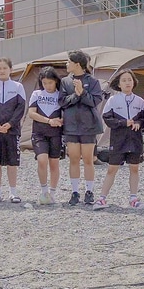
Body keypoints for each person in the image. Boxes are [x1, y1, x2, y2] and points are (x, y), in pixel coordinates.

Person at [96, 69, 144, 210]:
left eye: (129, 80)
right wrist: (123, 123)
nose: (127, 83)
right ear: (119, 84)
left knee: (134, 168)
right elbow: (107, 119)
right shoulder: (113, 100)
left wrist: (139, 123)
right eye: (124, 80)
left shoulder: (140, 101)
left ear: (134, 82)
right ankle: (102, 198)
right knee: (112, 168)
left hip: (135, 139)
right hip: (118, 139)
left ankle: (133, 198)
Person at [60, 50, 103, 206]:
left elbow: (95, 101)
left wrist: (83, 92)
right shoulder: (65, 81)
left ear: (77, 64)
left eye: (69, 61)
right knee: (73, 159)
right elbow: (62, 101)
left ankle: (89, 191)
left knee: (87, 159)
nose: (66, 64)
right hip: (71, 126)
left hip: (88, 126)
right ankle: (75, 191)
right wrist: (76, 95)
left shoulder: (92, 81)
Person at [0, 58, 26, 204]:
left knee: (12, 162)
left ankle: (13, 192)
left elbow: (21, 109)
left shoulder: (18, 86)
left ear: (10, 70)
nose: (2, 71)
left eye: (5, 68)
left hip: (12, 131)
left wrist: (10, 124)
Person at [27, 67, 65, 205]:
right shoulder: (37, 94)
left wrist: (61, 121)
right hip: (39, 132)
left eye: (50, 82)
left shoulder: (61, 95)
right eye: (45, 83)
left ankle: (52, 193)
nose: (48, 86)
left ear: (55, 81)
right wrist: (49, 121)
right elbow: (31, 113)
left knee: (54, 163)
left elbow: (65, 114)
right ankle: (44, 190)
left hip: (55, 134)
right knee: (42, 160)